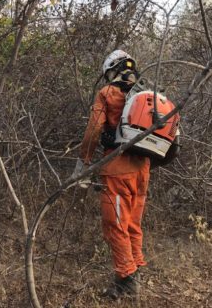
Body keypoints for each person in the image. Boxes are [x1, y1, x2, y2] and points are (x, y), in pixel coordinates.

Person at [77, 50, 149, 299]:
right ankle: (132, 274)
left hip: (117, 169)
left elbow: (94, 129)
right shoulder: (146, 95)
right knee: (132, 224)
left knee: (115, 225)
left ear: (112, 71)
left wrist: (84, 161)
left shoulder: (107, 94)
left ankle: (126, 283)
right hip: (142, 169)